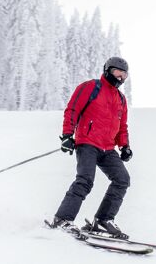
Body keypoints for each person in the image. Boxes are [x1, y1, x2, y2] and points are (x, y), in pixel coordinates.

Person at [52, 56, 133, 239]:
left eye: (124, 75)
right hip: (87, 143)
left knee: (122, 179)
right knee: (85, 180)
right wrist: (67, 135)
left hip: (108, 148)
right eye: (117, 72)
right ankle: (62, 219)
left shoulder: (121, 99)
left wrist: (125, 146)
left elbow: (122, 126)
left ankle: (103, 220)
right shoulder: (90, 87)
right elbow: (72, 109)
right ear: (107, 70)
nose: (120, 78)